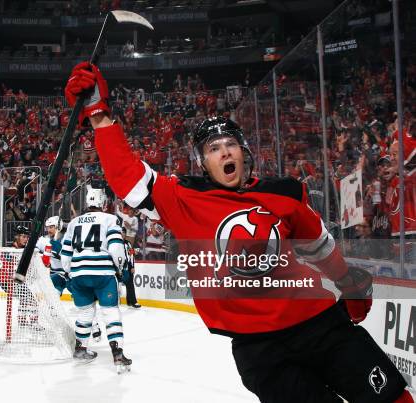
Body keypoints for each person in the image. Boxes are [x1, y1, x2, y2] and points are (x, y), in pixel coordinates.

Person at [64, 62, 411, 401]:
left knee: (392, 396)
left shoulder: (284, 192)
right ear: (203, 163)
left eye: (229, 144)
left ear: (243, 153)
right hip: (260, 352)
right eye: (213, 149)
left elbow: (319, 246)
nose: (224, 151)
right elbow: (127, 176)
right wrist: (98, 114)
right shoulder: (183, 199)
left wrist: (348, 282)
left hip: (319, 324)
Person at [61, 185, 131, 373]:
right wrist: (119, 269)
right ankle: (117, 354)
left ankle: (80, 349)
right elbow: (116, 247)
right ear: (103, 202)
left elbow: (65, 253)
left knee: (84, 313)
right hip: (103, 274)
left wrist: (70, 273)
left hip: (78, 275)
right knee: (110, 312)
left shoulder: (75, 222)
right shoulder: (110, 219)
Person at [122, 227, 140, 308]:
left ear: (125, 234)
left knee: (130, 284)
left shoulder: (128, 243)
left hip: (128, 266)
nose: (122, 234)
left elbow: (131, 255)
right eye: (121, 232)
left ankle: (131, 301)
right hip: (118, 266)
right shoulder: (115, 244)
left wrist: (132, 266)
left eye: (123, 232)